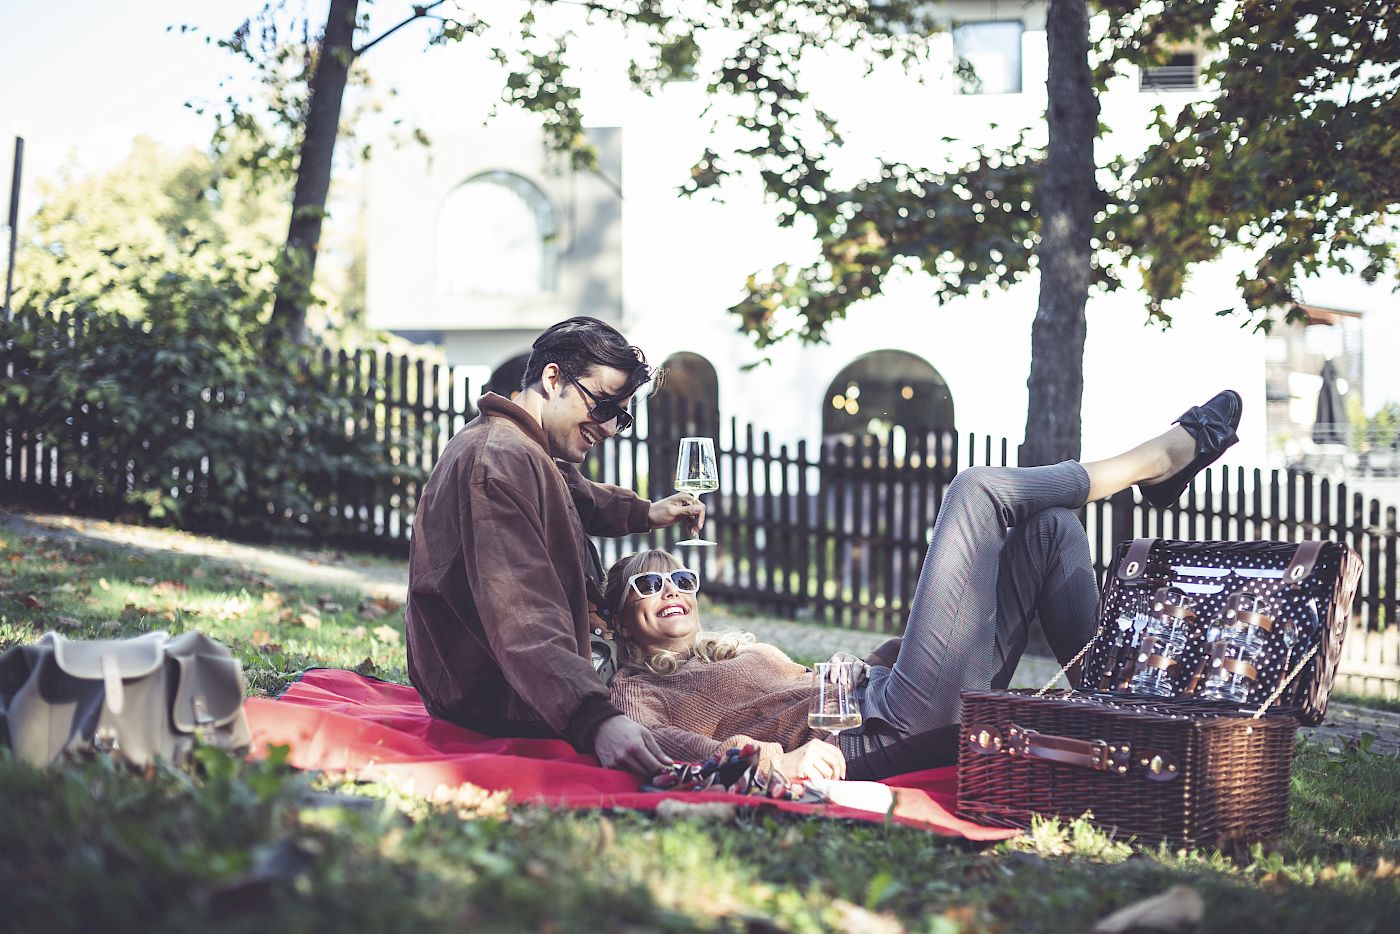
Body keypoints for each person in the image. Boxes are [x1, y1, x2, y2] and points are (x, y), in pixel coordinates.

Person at [604, 391, 1243, 781]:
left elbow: (817, 691)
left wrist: (896, 651)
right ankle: (1155, 463)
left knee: (1050, 528)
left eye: (680, 577)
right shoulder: (637, 689)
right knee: (977, 489)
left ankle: (1123, 710)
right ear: (616, 618)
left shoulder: (737, 653)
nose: (672, 589)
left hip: (888, 694)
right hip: (876, 733)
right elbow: (661, 746)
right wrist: (773, 761)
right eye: (649, 583)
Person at [405, 317, 707, 775]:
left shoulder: (524, 448)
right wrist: (596, 719)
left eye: (621, 417)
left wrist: (648, 513)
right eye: (603, 406)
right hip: (501, 703)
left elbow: (575, 495)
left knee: (707, 674)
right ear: (553, 378)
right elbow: (521, 613)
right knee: (699, 704)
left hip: (522, 688)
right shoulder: (500, 461)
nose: (609, 428)